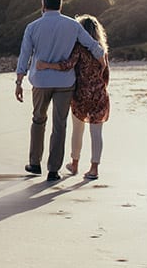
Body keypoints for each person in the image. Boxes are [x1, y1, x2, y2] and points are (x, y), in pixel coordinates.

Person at [15, 0, 105, 182]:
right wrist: (102, 60)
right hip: (65, 83)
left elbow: (25, 55)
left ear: (43, 6)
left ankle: (35, 163)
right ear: (61, 6)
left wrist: (19, 81)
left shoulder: (32, 27)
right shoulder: (72, 25)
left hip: (40, 81)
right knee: (60, 125)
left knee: (38, 120)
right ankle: (53, 170)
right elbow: (92, 45)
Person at [37, 14, 110, 180]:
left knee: (77, 130)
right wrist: (99, 88)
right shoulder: (102, 51)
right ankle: (94, 169)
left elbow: (66, 66)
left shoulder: (79, 49)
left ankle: (74, 164)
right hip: (99, 94)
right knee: (96, 132)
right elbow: (106, 75)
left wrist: (46, 65)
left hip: (81, 95)